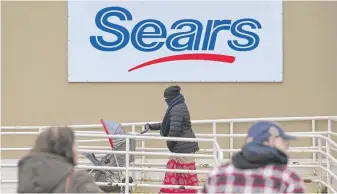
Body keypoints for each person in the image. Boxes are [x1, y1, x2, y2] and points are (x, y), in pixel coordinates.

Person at [202, 121, 305, 193]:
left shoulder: (216, 175)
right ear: (270, 140)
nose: (286, 146)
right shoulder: (287, 179)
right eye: (283, 141)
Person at [145, 85, 199, 193]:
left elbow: (174, 131)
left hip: (182, 148)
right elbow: (168, 125)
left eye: (167, 99)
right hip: (185, 147)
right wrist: (151, 126)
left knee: (180, 175)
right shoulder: (179, 106)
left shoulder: (176, 109)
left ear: (171, 98)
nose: (166, 101)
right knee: (183, 176)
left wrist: (170, 145)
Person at [17, 126, 102, 193]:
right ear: (65, 149)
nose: (77, 150)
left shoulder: (27, 178)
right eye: (75, 145)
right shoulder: (78, 181)